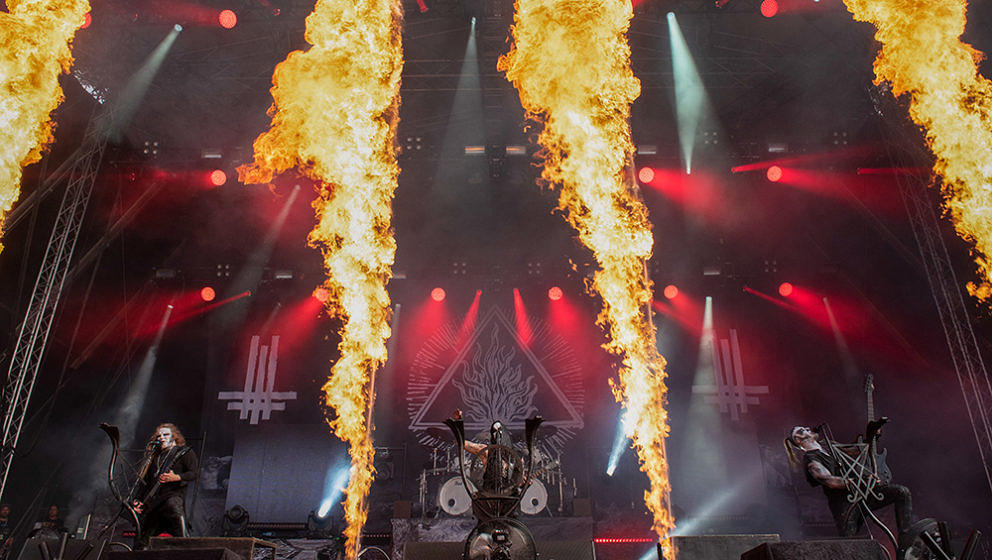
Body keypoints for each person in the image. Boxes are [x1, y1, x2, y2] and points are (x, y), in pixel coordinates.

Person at [786, 425, 912, 540]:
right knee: (850, 544)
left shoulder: (827, 446)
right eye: (802, 430)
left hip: (863, 494)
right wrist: (857, 481)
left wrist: (872, 436)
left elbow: (857, 450)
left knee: (902, 492)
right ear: (798, 440)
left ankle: (906, 541)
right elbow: (828, 480)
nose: (808, 428)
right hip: (845, 505)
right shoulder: (811, 459)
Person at [133, 423, 197, 548]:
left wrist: (177, 477)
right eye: (159, 436)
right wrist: (138, 499)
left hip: (171, 497)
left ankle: (186, 545)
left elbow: (194, 473)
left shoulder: (184, 452)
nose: (161, 438)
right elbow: (145, 483)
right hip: (153, 503)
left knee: (180, 531)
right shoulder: (153, 457)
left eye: (166, 434)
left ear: (174, 436)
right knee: (142, 542)